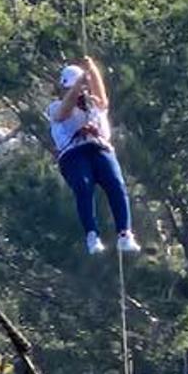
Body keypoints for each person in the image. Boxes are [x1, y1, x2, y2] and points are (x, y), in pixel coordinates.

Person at [48, 56, 140, 256]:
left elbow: (102, 96)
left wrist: (92, 70)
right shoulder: (55, 107)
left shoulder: (94, 104)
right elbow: (64, 113)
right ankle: (92, 235)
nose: (81, 93)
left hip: (99, 148)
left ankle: (125, 234)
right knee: (83, 186)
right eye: (76, 88)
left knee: (116, 184)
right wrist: (78, 85)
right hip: (73, 153)